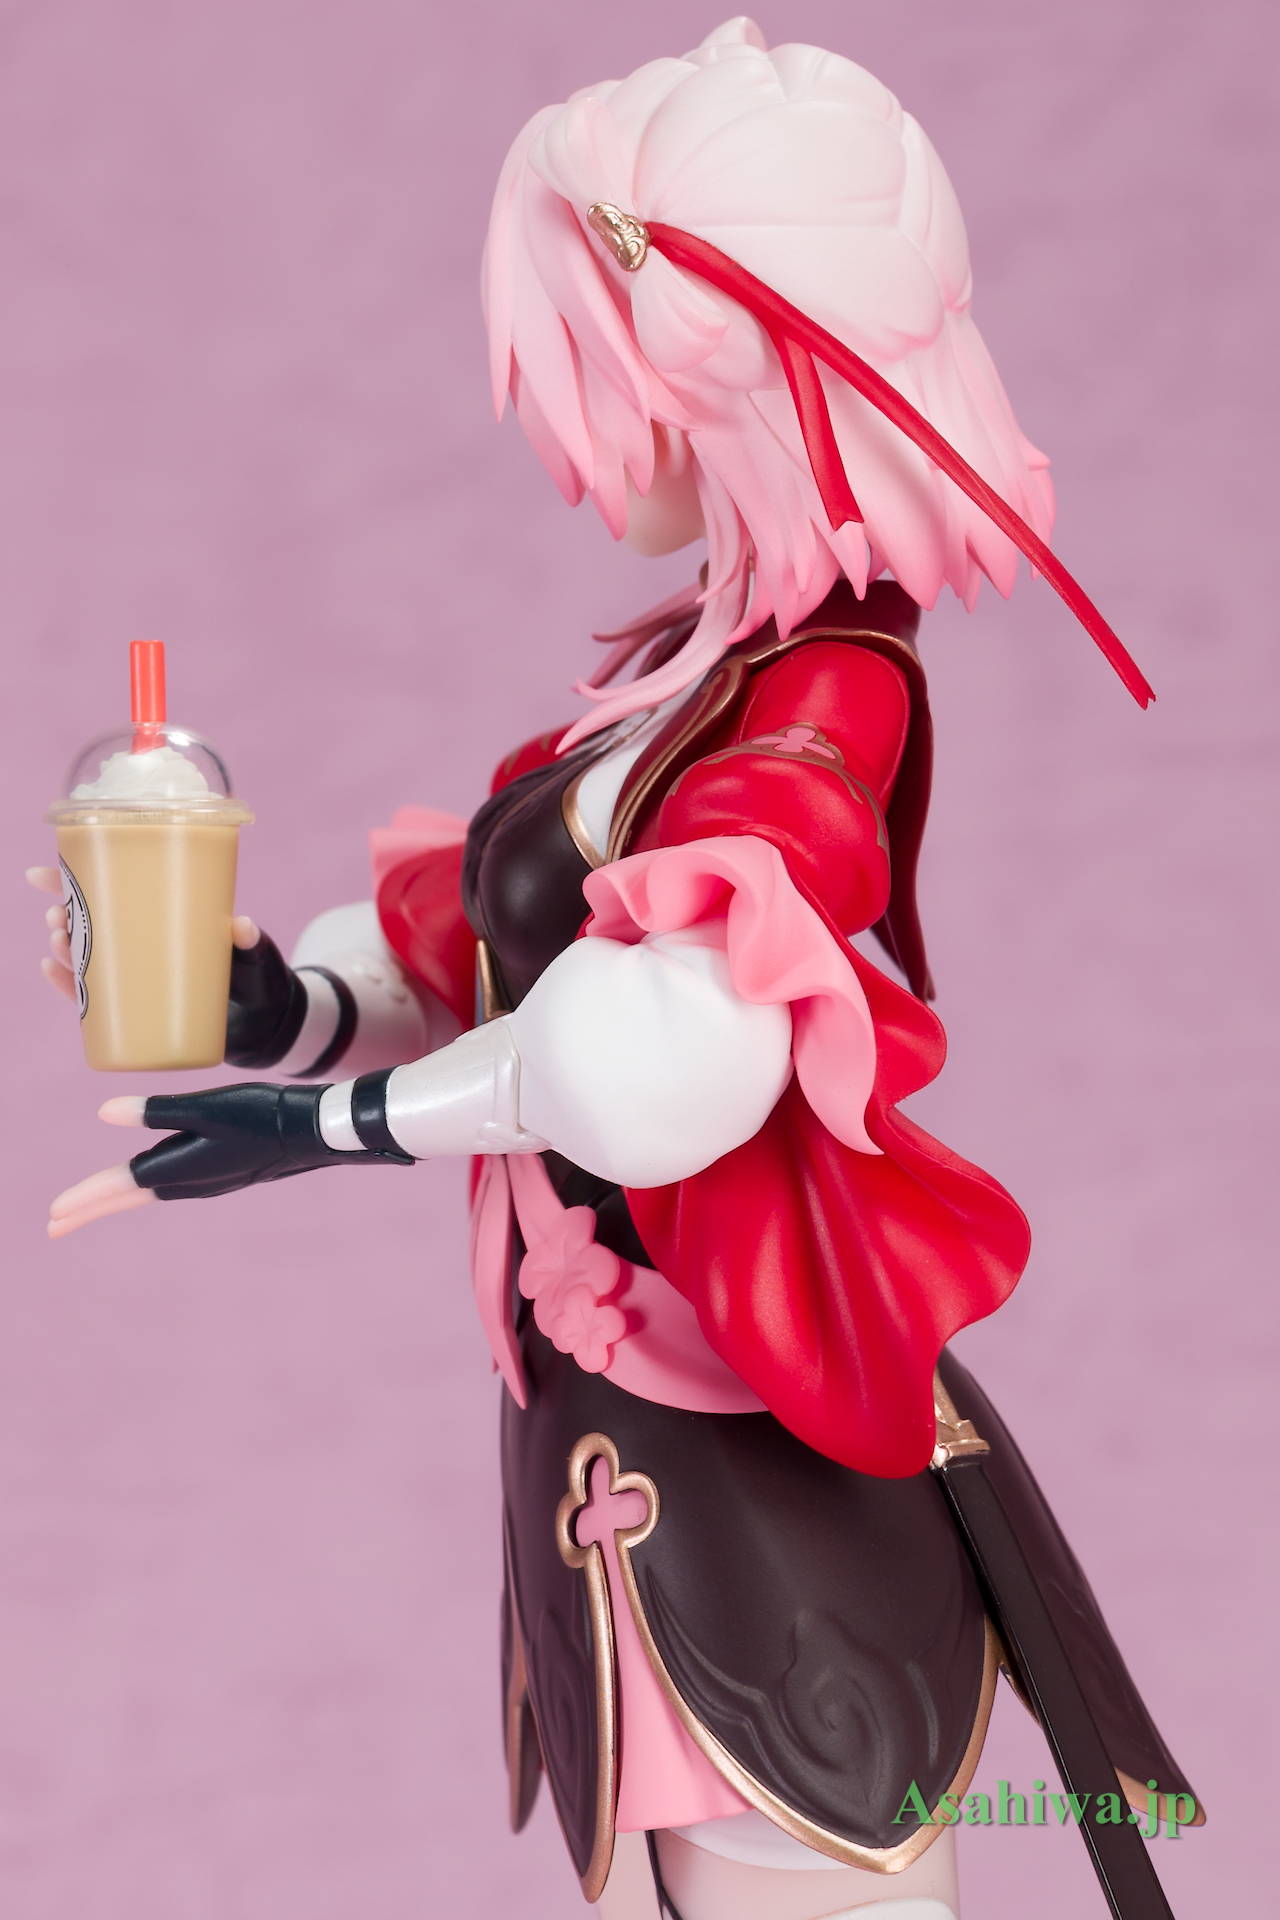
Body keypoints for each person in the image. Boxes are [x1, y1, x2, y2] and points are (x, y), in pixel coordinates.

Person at [35, 21, 1198, 1917]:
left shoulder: (818, 703)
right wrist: (276, 1013)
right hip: (617, 1466)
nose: (567, 446)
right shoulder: (675, 691)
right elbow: (489, 962)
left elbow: (663, 1058)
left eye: (590, 379)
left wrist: (326, 1127)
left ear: (707, 372)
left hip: (748, 1453)